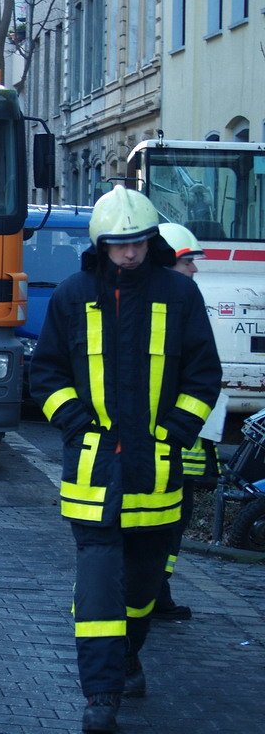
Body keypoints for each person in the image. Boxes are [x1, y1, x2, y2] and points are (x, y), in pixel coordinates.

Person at [30, 187, 221, 733]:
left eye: (137, 243)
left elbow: (203, 375)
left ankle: (129, 655)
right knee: (97, 590)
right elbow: (46, 374)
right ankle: (101, 695)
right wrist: (73, 421)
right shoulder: (72, 297)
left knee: (139, 592)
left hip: (157, 475)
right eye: (119, 245)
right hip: (93, 476)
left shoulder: (180, 298)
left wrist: (177, 431)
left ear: (150, 241)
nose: (130, 254)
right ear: (101, 245)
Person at [152, 223, 224, 621]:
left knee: (175, 522)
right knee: (159, 525)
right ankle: (152, 590)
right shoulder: (169, 304)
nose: (194, 271)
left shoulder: (185, 300)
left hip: (184, 444)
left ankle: (158, 589)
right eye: (187, 262)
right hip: (167, 446)